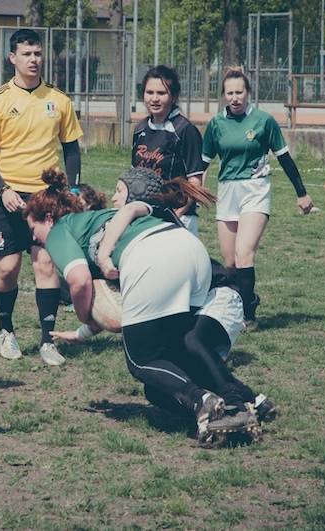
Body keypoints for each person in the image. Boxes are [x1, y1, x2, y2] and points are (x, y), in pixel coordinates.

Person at [25, 168, 259, 448]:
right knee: (179, 351)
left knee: (141, 360)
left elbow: (79, 280)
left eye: (33, 230)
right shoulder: (97, 219)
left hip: (151, 257)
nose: (35, 240)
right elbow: (107, 301)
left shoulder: (60, 231)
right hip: (190, 250)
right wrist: (84, 331)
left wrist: (82, 313)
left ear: (48, 219)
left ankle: (203, 401)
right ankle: (239, 403)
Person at [0, 28, 83, 366]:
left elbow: (72, 149)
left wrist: (72, 189)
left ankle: (47, 340)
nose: (34, 60)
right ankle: (6, 330)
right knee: (8, 268)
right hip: (9, 195)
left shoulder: (59, 100)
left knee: (46, 264)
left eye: (37, 54)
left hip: (46, 196)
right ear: (13, 58)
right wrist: (3, 189)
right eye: (26, 54)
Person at [202, 68, 314, 324]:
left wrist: (302, 193)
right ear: (223, 95)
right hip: (227, 191)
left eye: (239, 92)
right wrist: (198, 186)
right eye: (229, 93)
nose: (234, 97)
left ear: (248, 92)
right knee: (230, 261)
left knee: (244, 253)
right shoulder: (216, 124)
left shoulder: (264, 121)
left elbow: (284, 157)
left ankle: (246, 314)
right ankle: (249, 298)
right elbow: (203, 161)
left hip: (255, 189)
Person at [131, 65, 207, 234]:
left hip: (178, 217)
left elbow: (195, 183)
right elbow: (133, 177)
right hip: (146, 216)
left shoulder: (185, 130)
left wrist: (176, 215)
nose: (154, 98)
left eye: (161, 93)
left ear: (174, 96)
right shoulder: (140, 128)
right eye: (149, 92)